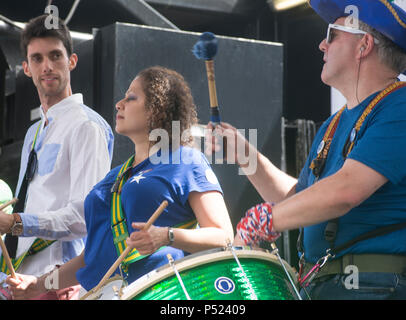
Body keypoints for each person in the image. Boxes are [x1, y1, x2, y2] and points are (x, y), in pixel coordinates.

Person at [206, 0, 406, 300]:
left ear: (363, 45)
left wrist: (266, 219)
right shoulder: (333, 126)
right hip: (328, 285)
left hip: (372, 286)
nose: (321, 45)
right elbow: (302, 199)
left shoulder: (400, 107)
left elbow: (346, 191)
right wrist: (245, 156)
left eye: (332, 34)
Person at [6, 66, 234, 299]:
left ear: (157, 108)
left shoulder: (185, 160)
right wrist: (39, 283)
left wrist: (167, 236)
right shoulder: (113, 178)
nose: (119, 104)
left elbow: (223, 236)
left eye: (131, 98)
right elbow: (89, 259)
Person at [0, 14, 114, 300]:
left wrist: (15, 222)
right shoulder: (34, 133)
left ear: (71, 61)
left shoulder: (87, 127)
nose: (47, 66)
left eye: (55, 56)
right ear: (25, 68)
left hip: (60, 281)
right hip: (23, 279)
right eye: (37, 59)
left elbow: (87, 217)